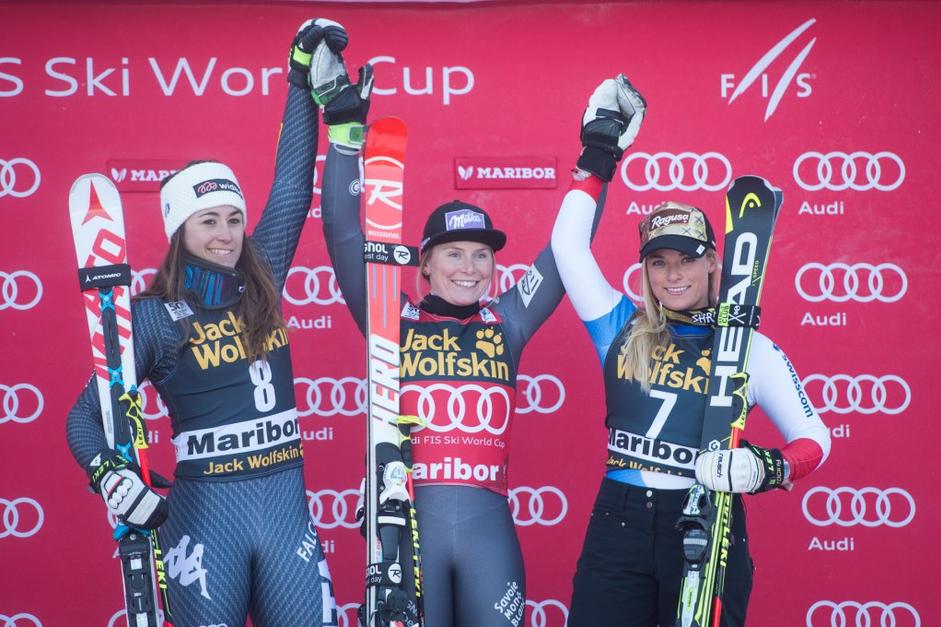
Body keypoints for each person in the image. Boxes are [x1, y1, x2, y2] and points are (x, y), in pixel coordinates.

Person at [66, 19, 344, 627]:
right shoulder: (151, 316)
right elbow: (85, 417)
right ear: (179, 231)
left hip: (285, 511)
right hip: (206, 520)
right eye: (208, 221)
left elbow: (291, 187)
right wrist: (109, 476)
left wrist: (300, 77)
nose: (226, 234)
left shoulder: (261, 273)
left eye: (233, 218)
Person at [313, 29, 586, 627]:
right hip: (411, 527)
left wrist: (597, 162)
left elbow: (566, 252)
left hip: (489, 531)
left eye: (482, 255)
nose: (470, 267)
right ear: (426, 264)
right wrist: (344, 135)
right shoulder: (390, 317)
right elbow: (343, 233)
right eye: (455, 254)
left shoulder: (508, 321)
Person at [550, 76, 831, 627]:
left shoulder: (748, 348)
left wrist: (766, 467)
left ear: (712, 263)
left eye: (686, 259)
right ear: (645, 269)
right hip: (619, 523)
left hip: (709, 522)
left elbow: (815, 437)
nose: (672, 274)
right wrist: (598, 156)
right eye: (659, 262)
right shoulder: (619, 326)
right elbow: (567, 246)